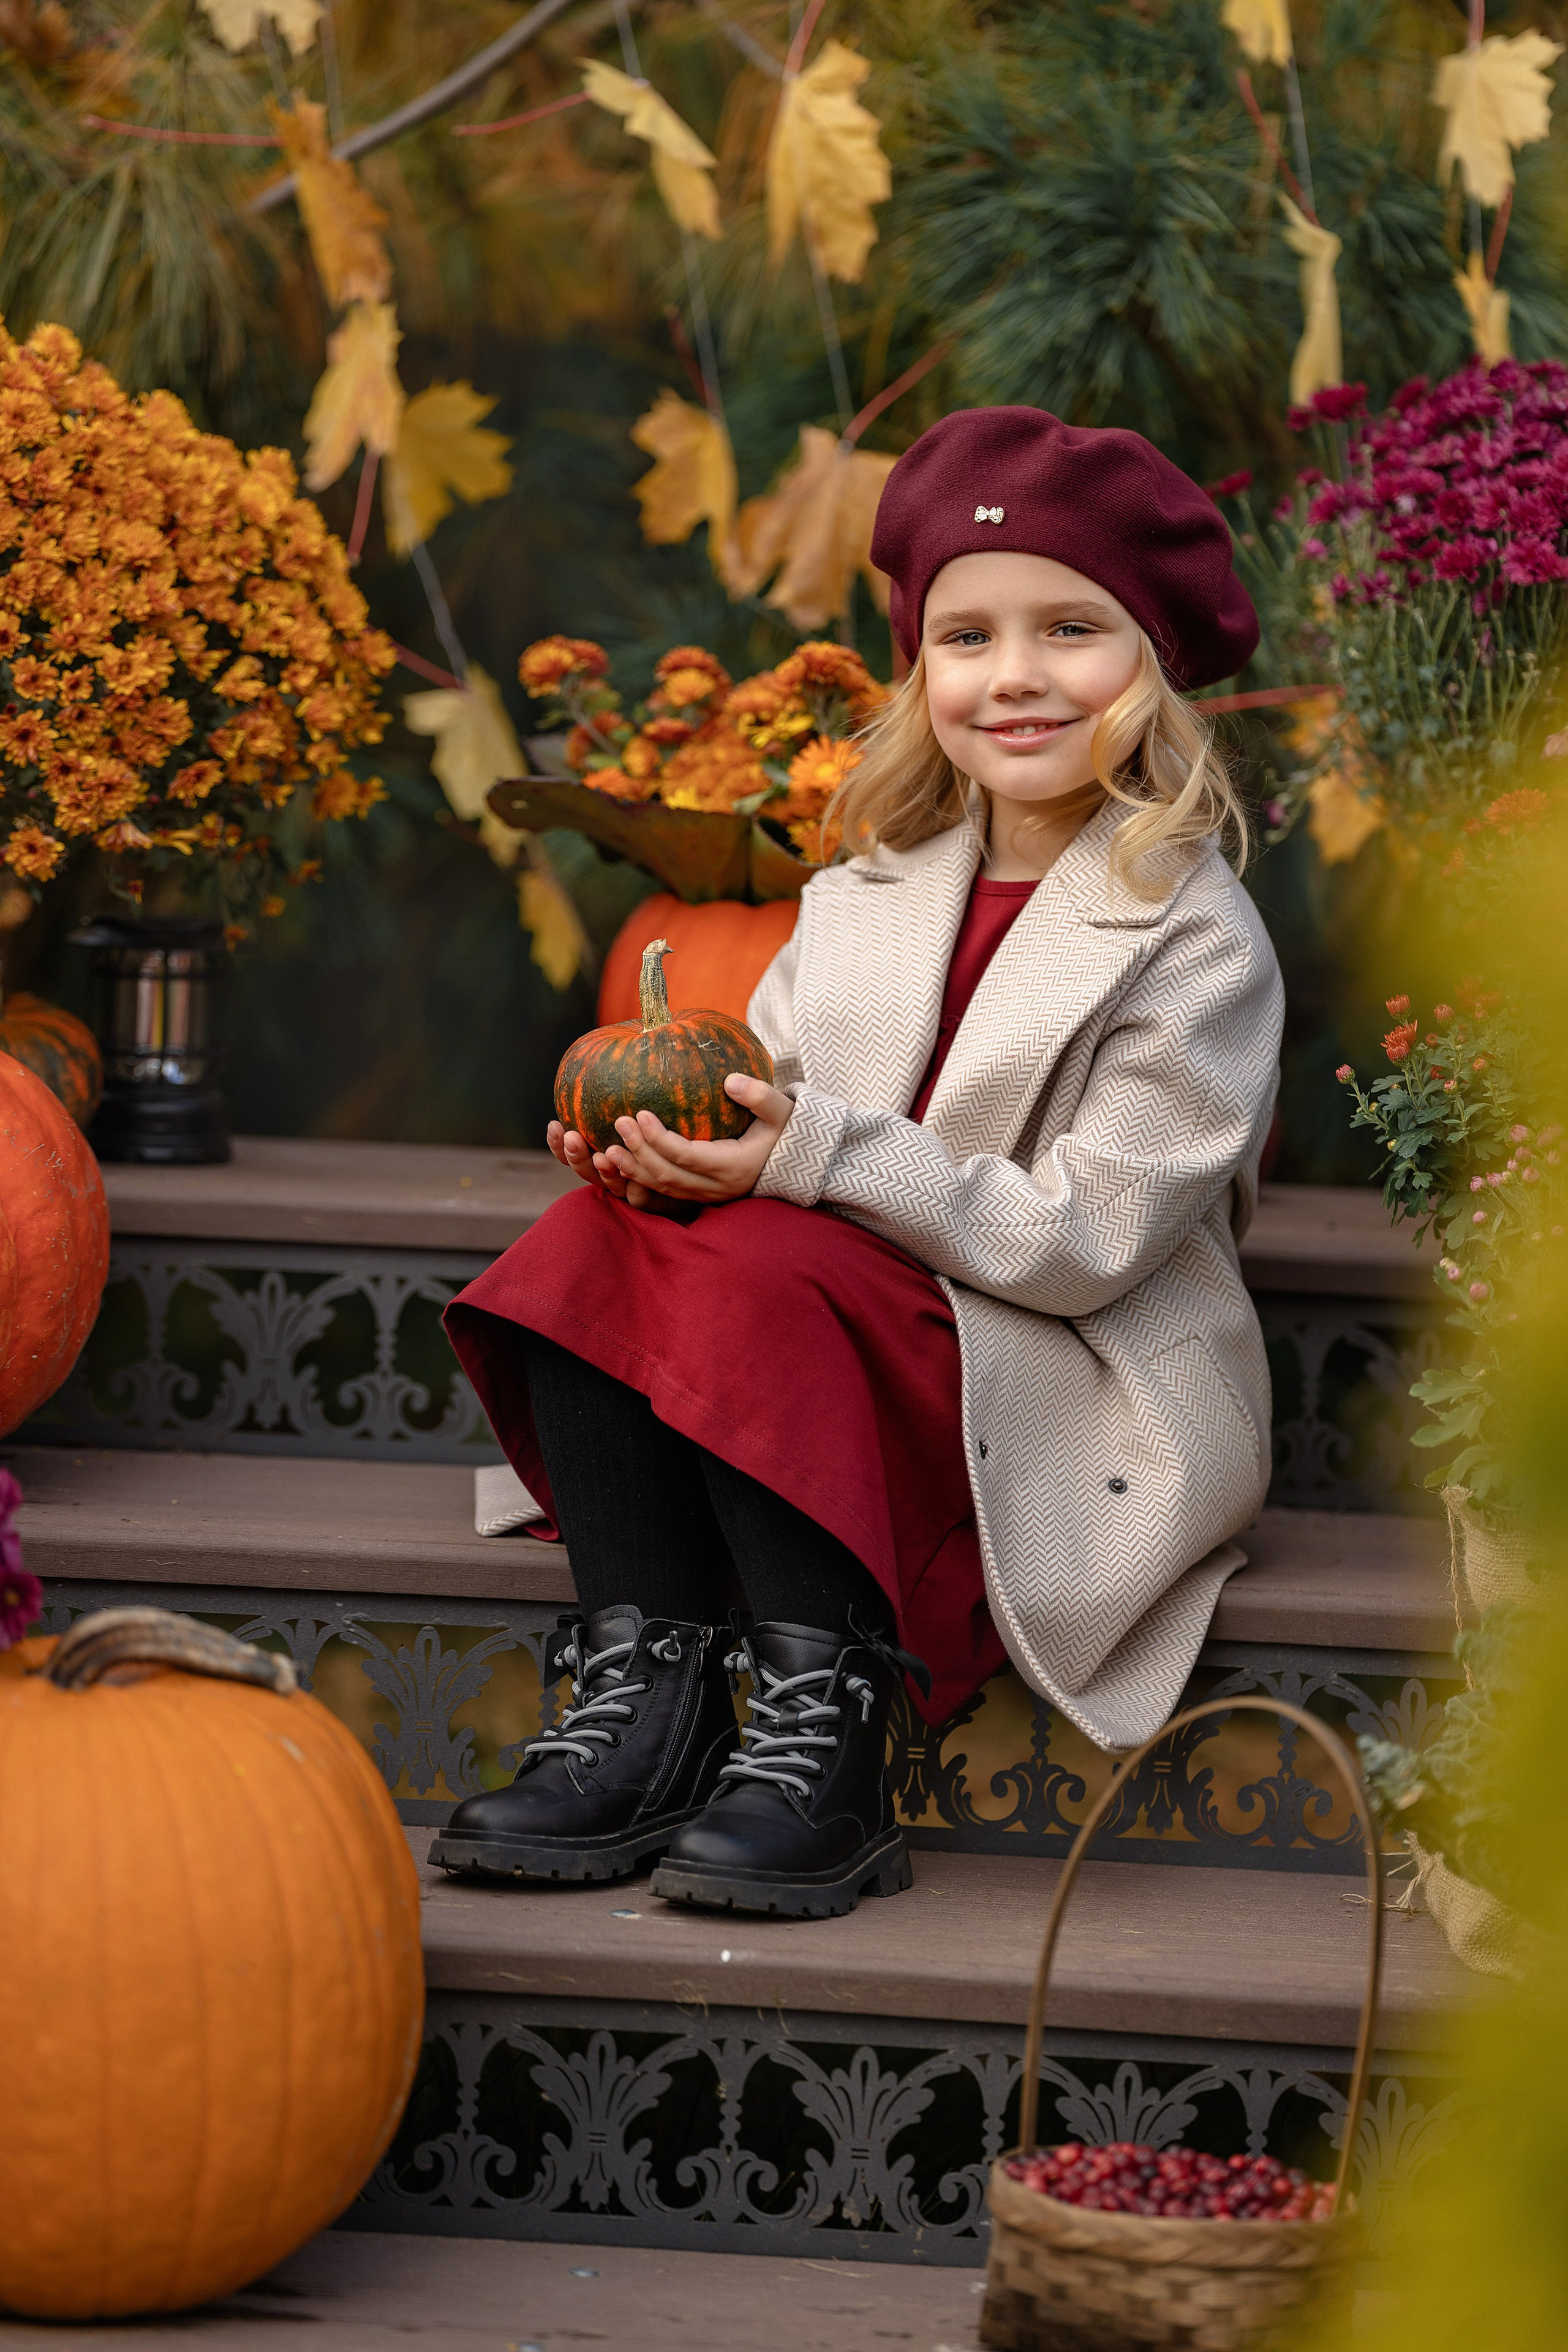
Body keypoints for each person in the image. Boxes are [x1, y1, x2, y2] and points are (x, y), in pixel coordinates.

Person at [434, 404, 1284, 1921]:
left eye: (1069, 629)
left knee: (761, 1255)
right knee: (588, 1241)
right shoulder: (866, 895)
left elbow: (1087, 1237)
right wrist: (658, 1162)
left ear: (1149, 666)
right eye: (963, 638)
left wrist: (800, 1154)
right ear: (917, 674)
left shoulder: (1193, 935)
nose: (1012, 676)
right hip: (832, 1331)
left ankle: (829, 1723)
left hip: (1056, 1362)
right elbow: (765, 1114)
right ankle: (651, 1683)